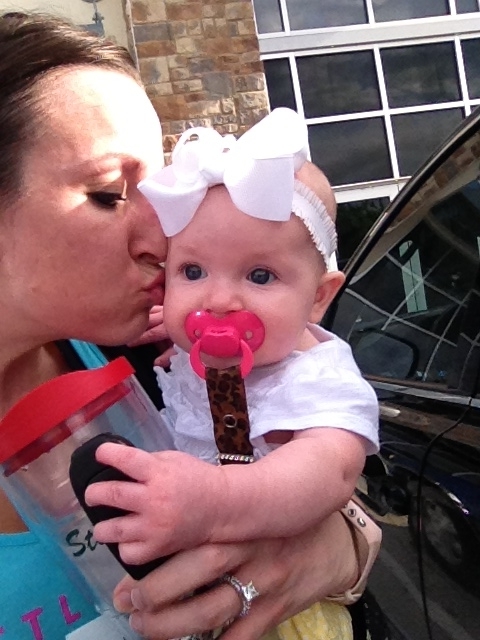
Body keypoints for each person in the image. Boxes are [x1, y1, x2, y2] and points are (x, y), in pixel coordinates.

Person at [0, 12, 380, 640]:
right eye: (109, 194)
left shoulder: (153, 357)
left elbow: (333, 483)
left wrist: (332, 553)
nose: (164, 237)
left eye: (162, 195)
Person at [84, 110, 379, 640]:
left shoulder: (315, 374)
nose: (217, 300)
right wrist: (180, 339)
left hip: (286, 618)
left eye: (260, 275)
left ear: (319, 297)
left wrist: (218, 500)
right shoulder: (186, 355)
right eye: (192, 271)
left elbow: (330, 473)